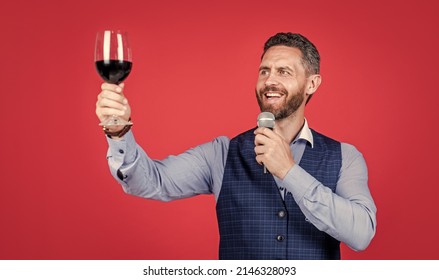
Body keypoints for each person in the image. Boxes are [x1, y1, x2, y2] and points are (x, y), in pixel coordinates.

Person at [95, 32, 377, 260]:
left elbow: (361, 235)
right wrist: (119, 134)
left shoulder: (345, 157)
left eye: (283, 72)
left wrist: (289, 171)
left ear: (312, 84)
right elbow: (151, 181)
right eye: (264, 70)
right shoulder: (221, 154)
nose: (270, 80)